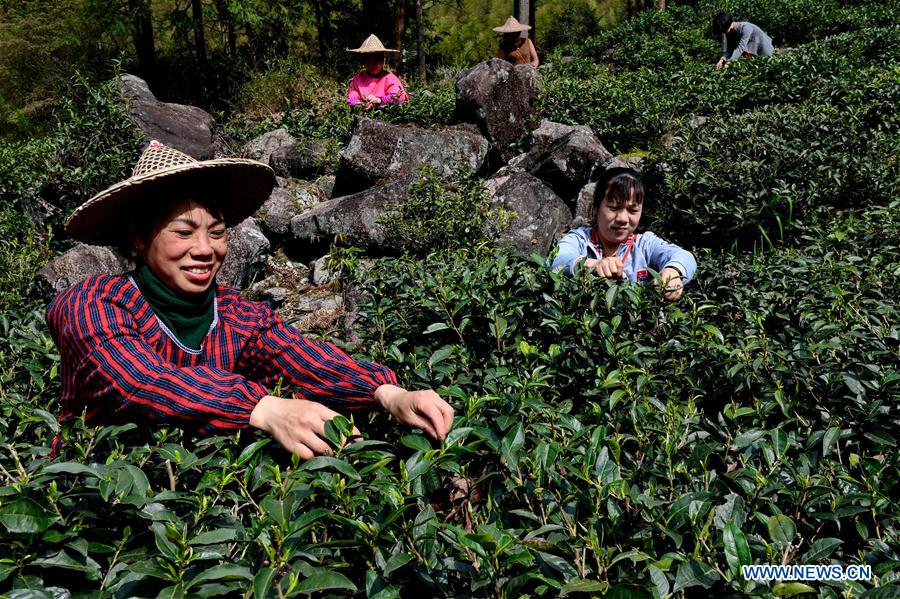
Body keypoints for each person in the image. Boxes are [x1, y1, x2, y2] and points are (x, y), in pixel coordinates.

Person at [47, 140, 452, 459]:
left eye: (217, 231)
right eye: (183, 233)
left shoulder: (235, 313)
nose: (205, 249)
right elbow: (140, 383)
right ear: (139, 237)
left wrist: (387, 392)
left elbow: (298, 355)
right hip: (100, 503)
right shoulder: (91, 304)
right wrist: (264, 408)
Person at [550, 167, 696, 301]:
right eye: (613, 207)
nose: (622, 219)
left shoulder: (645, 245)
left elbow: (685, 257)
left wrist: (673, 271)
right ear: (595, 209)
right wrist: (591, 265)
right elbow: (555, 260)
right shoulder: (580, 239)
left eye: (632, 210)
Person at [346, 34, 409, 108]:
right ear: (364, 62)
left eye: (375, 60)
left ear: (382, 61)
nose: (372, 64)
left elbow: (399, 97)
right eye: (368, 61)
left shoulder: (390, 78)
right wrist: (359, 104)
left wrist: (379, 100)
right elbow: (351, 99)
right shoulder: (358, 79)